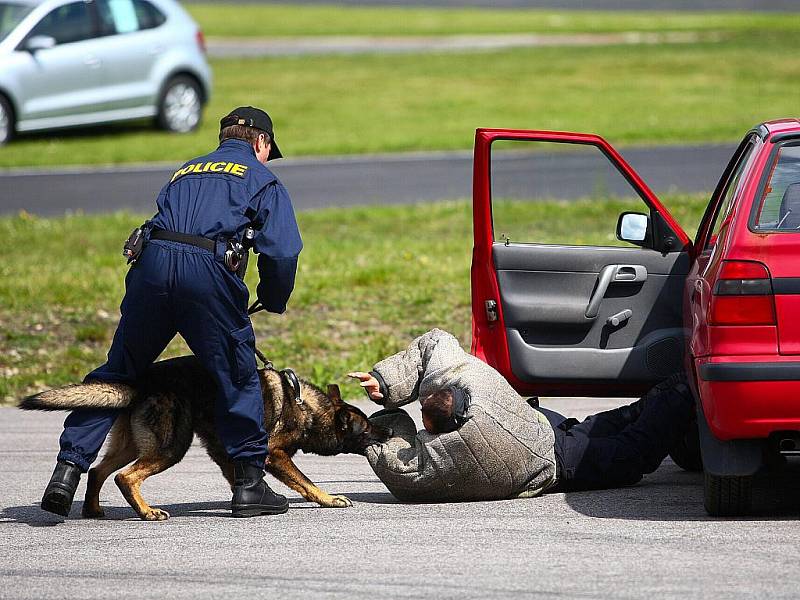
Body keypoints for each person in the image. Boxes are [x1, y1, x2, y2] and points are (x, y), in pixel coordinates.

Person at [41, 107, 303, 518]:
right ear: (261, 143)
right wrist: (273, 297)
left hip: (152, 268)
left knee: (118, 373)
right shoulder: (262, 178)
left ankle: (67, 470)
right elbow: (283, 251)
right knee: (237, 376)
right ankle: (250, 486)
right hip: (207, 274)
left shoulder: (187, 169)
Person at [349, 329, 694, 502]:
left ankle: (684, 393)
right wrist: (386, 380)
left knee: (633, 452)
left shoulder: (450, 452)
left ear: (436, 427)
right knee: (620, 420)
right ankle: (678, 389)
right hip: (546, 424)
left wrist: (386, 410)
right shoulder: (473, 379)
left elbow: (399, 470)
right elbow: (435, 341)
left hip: (558, 464)